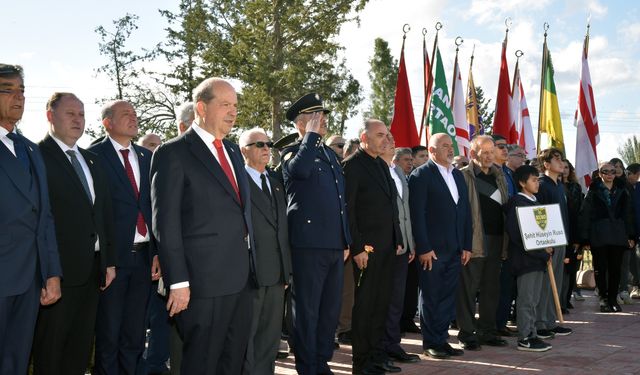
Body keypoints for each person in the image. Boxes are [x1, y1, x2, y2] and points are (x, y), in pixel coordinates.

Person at [150, 78, 256, 375]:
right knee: (202, 363)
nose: (233, 112)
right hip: (201, 284)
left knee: (233, 362)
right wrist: (179, 282)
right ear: (201, 107)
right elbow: (165, 223)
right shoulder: (173, 153)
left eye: (235, 105)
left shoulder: (234, 151)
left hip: (240, 279)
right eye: (225, 105)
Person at [33, 93, 116, 375]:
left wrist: (108, 260)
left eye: (81, 114)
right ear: (50, 116)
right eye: (70, 114)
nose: (77, 120)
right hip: (57, 273)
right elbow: (39, 218)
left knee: (80, 349)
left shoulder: (91, 161)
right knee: (52, 349)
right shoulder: (37, 157)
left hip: (92, 272)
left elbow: (102, 213)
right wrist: (47, 271)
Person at [89, 100, 161, 375]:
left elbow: (154, 207)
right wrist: (105, 259)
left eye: (134, 113)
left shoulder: (147, 156)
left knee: (134, 333)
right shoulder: (93, 156)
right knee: (109, 333)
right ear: (107, 122)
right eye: (125, 114)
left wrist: (157, 252)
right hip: (112, 261)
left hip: (144, 258)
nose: (133, 118)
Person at [281, 93, 350, 375]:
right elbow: (299, 172)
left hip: (334, 245)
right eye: (316, 118)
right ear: (301, 123)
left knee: (329, 311)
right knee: (307, 311)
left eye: (323, 117)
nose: (323, 121)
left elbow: (340, 201)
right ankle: (308, 367)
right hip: (308, 246)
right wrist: (308, 138)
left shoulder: (328, 155)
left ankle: (321, 363)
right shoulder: (292, 152)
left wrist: (346, 240)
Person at [0, 63, 62, 375]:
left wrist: (51, 273)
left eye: (22, 91)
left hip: (30, 278)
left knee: (17, 359)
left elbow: (44, 215)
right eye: (8, 90)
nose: (18, 97)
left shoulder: (29, 148)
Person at [344, 120, 403, 374]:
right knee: (365, 306)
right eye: (379, 135)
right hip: (366, 250)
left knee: (381, 304)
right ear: (364, 137)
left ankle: (376, 355)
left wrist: (398, 237)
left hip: (388, 248)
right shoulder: (352, 166)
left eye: (387, 135)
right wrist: (357, 247)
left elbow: (391, 206)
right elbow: (348, 210)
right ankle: (361, 362)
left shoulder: (382, 165)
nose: (385, 139)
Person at [408, 133, 472, 359]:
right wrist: (424, 247)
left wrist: (466, 244)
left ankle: (442, 339)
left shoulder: (457, 175)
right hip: (432, 251)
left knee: (447, 297)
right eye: (444, 146)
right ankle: (431, 342)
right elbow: (417, 215)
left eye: (451, 145)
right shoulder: (421, 175)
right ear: (432, 151)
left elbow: (465, 213)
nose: (450, 149)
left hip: (455, 248)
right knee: (431, 296)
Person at [239, 128, 292, 374]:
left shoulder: (275, 182)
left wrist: (286, 271)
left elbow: (283, 230)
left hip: (276, 272)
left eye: (268, 144)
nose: (265, 148)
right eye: (258, 144)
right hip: (250, 272)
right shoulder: (238, 182)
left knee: (270, 337)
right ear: (243, 150)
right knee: (247, 335)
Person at [456, 135, 508, 351]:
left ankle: (487, 331)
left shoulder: (499, 176)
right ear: (473, 154)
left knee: (491, 288)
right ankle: (466, 333)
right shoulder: (462, 176)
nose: (488, 156)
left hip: (497, 239)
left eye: (490, 151)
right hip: (474, 240)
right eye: (483, 152)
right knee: (468, 289)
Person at [379, 134, 420, 365]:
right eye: (386, 139)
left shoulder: (399, 174)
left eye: (393, 139)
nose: (390, 142)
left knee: (396, 299)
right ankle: (381, 345)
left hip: (403, 246)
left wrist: (410, 243)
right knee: (383, 299)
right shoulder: (377, 171)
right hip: (385, 246)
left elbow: (406, 213)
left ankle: (392, 343)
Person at [505, 165, 553, 352]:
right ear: (522, 182)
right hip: (526, 260)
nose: (537, 183)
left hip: (538, 259)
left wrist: (548, 249)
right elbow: (519, 236)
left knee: (534, 299)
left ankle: (532, 334)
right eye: (533, 180)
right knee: (526, 299)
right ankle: (525, 336)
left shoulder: (534, 202)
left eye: (538, 179)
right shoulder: (518, 203)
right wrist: (541, 253)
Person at [579, 162, 636, 312]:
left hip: (618, 234)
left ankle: (613, 299)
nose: (610, 174)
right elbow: (585, 214)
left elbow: (629, 213)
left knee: (615, 269)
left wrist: (631, 235)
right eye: (606, 171)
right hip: (599, 234)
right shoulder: (593, 190)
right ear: (600, 173)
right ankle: (603, 299)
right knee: (600, 268)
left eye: (613, 171)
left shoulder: (623, 189)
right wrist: (584, 238)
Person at [534, 148, 573, 338]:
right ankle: (540, 323)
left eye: (562, 158)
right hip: (548, 241)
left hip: (560, 239)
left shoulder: (559, 185)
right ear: (546, 164)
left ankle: (550, 321)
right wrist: (545, 244)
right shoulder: (542, 185)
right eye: (556, 159)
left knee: (555, 283)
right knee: (545, 283)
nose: (561, 162)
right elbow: (539, 215)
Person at [561, 160, 584, 307]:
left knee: (571, 268)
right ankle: (559, 300)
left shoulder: (576, 187)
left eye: (566, 167)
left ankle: (566, 299)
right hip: (559, 231)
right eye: (561, 167)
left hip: (573, 231)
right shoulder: (554, 186)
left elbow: (579, 213)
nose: (564, 170)